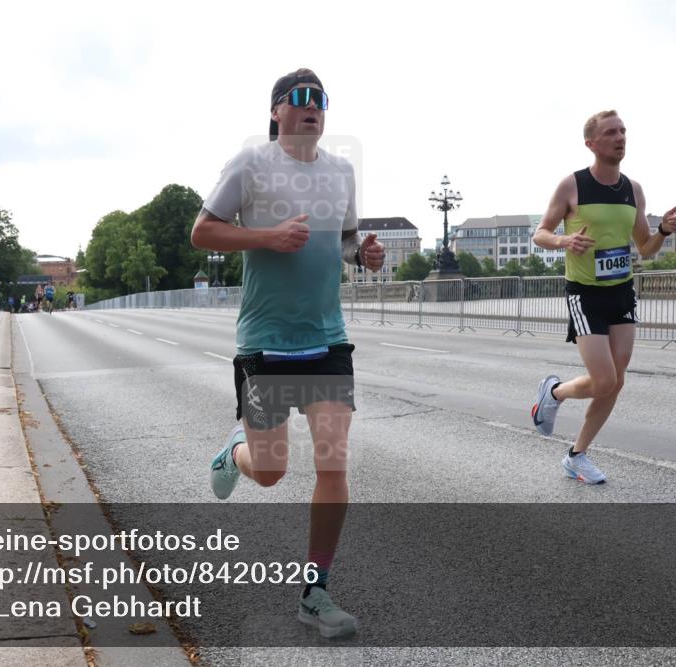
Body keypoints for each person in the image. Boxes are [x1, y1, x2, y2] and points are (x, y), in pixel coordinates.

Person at [192, 68, 384, 638]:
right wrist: (267, 237)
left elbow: (347, 242)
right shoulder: (251, 164)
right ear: (276, 111)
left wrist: (364, 255)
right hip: (266, 343)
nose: (312, 108)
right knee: (272, 472)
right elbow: (203, 231)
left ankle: (316, 591)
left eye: (320, 100)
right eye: (299, 100)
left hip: (327, 338)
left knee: (333, 463)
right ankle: (236, 453)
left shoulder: (341, 172)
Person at [531, 110, 676, 484]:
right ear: (591, 143)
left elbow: (645, 248)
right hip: (584, 293)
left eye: (623, 131)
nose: (620, 137)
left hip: (621, 292)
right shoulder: (572, 185)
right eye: (612, 132)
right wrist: (565, 240)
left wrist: (662, 230)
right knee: (603, 380)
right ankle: (555, 392)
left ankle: (577, 455)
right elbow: (541, 233)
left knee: (617, 380)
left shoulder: (634, 189)